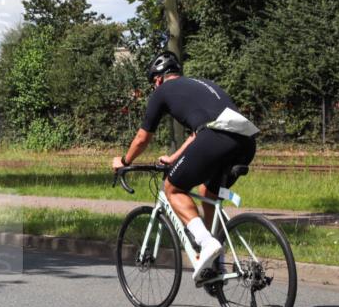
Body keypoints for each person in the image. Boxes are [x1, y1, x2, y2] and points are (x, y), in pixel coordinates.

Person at [111, 51, 259, 284]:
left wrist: (124, 161)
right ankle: (215, 264)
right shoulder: (201, 84)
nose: (154, 87)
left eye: (153, 83)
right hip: (246, 140)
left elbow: (142, 138)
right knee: (207, 193)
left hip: (217, 136)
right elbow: (198, 132)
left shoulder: (162, 91)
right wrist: (175, 157)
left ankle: (207, 244)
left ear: (158, 79)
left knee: (173, 189)